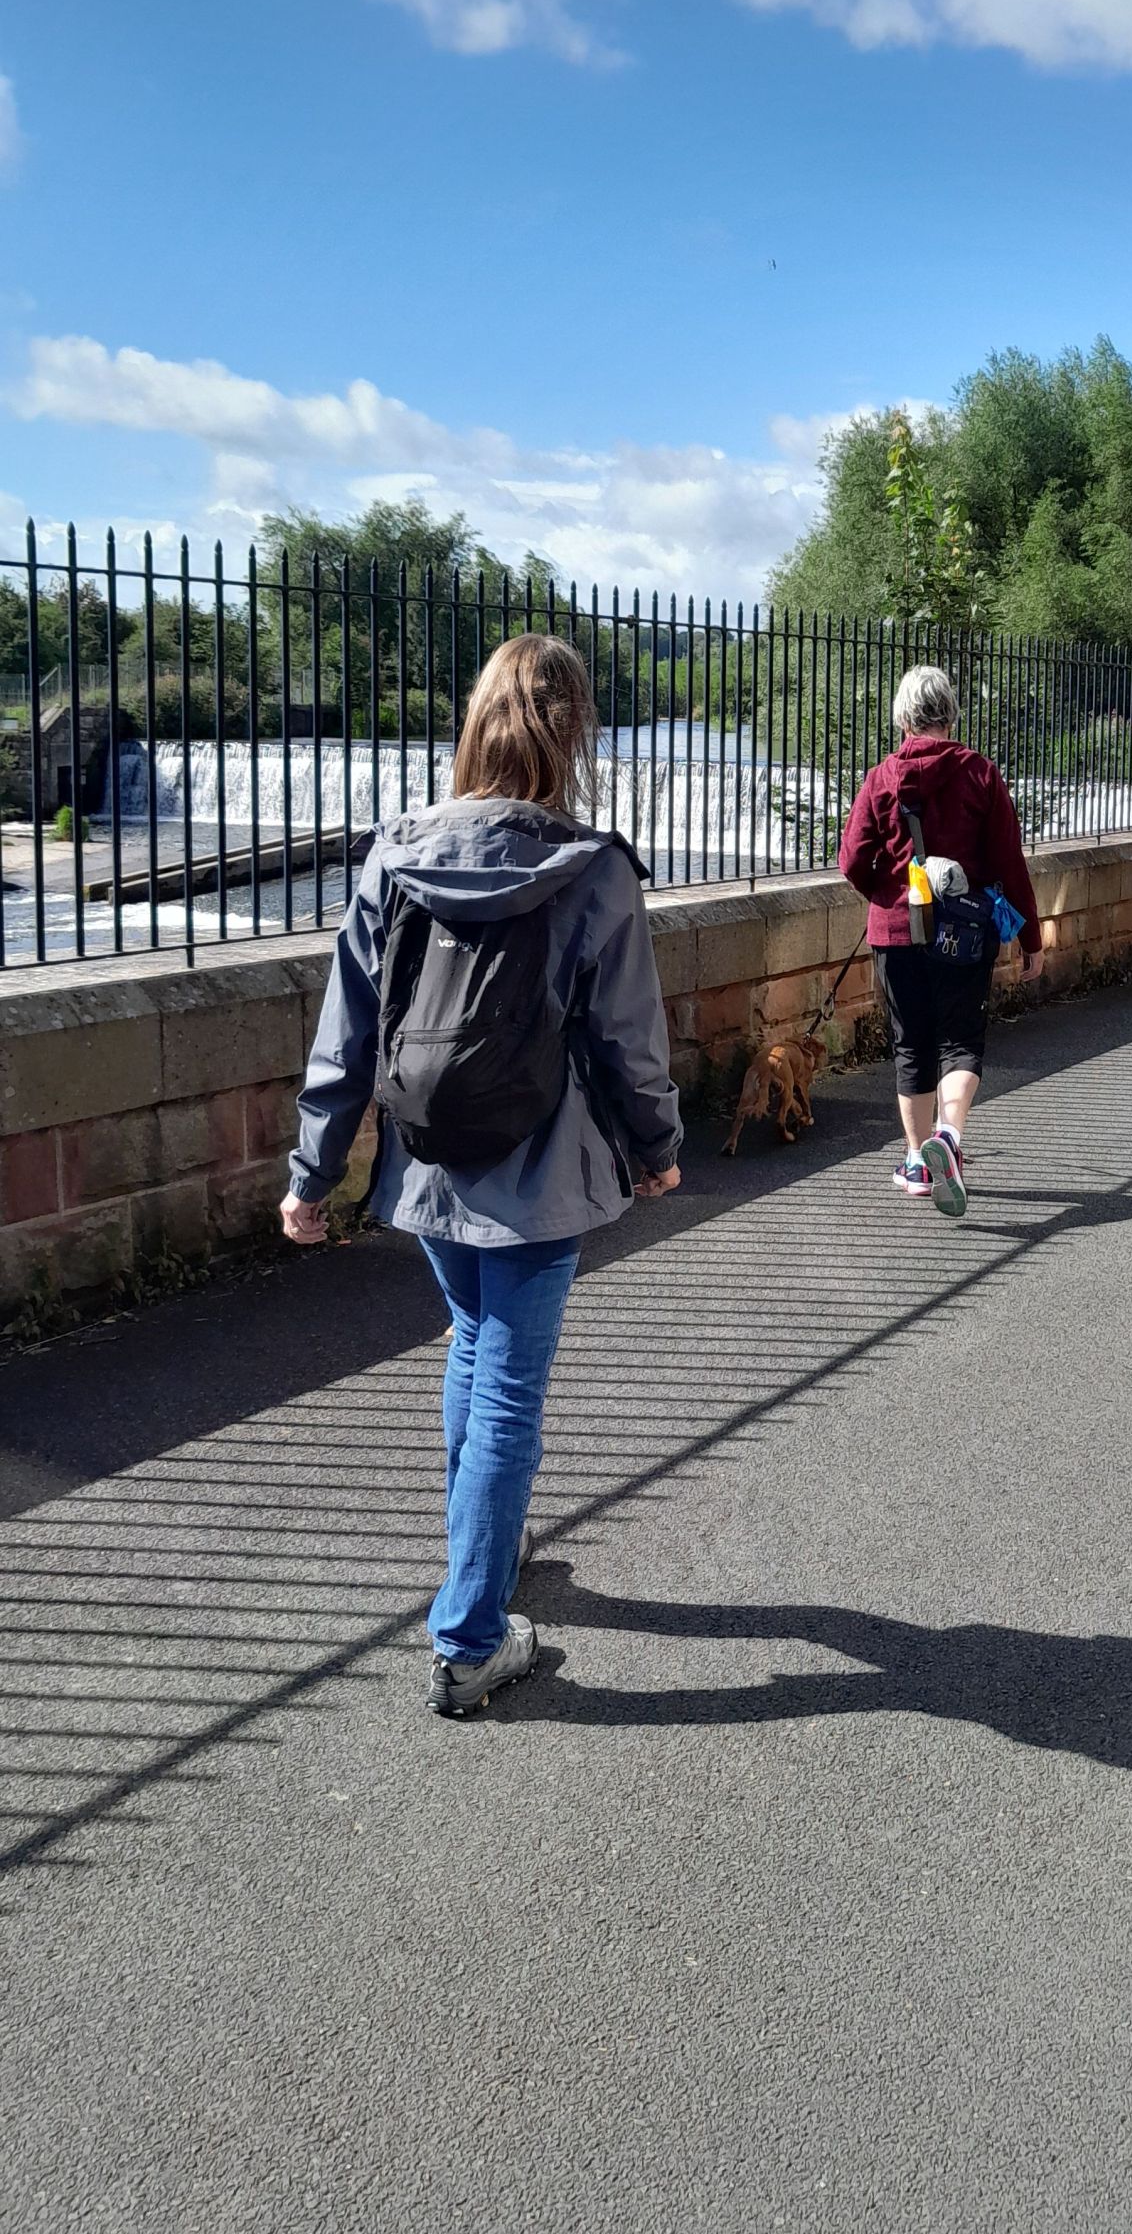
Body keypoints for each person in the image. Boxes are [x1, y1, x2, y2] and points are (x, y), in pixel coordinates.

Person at [280, 634, 682, 1717]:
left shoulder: (394, 854)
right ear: (572, 733)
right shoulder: (591, 870)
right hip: (540, 1173)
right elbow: (630, 1041)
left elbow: (346, 1036)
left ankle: (483, 1562)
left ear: (475, 725)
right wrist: (657, 1149)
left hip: (425, 1166)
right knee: (508, 1383)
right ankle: (468, 1640)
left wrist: (312, 1174)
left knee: (471, 1342)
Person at [838, 664, 1043, 1217]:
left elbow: (853, 860)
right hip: (964, 932)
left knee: (912, 1045)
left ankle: (916, 1164)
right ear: (950, 714)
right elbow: (1008, 860)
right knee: (960, 1041)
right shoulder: (979, 774)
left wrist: (885, 889)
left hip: (897, 929)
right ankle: (948, 1138)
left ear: (903, 717)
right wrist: (1030, 935)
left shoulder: (881, 777)